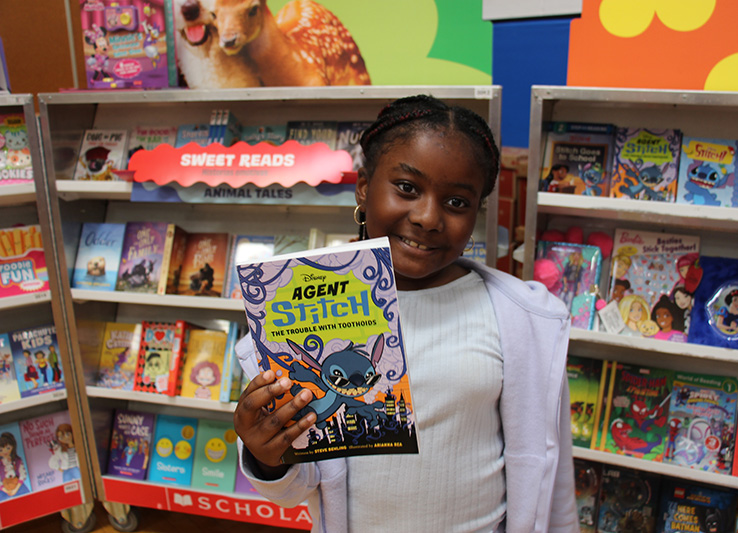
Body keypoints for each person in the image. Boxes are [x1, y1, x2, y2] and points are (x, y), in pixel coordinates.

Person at [234, 95, 578, 532]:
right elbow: (298, 488)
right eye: (407, 188)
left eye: (457, 202)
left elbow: (552, 476)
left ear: (476, 212)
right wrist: (266, 456)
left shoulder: (520, 320)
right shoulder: (302, 310)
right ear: (363, 186)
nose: (428, 217)